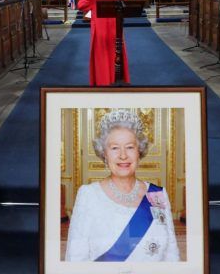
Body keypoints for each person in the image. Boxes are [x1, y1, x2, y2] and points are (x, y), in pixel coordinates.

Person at [66, 109, 179, 262]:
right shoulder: (88, 195)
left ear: (139, 152)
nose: (123, 155)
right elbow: (75, 259)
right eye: (114, 148)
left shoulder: (157, 195)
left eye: (130, 147)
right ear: (104, 154)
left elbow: (171, 255)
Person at [76, 0, 130, 86]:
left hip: (99, 31)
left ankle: (102, 81)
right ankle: (117, 80)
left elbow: (80, 5)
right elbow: (126, 5)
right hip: (116, 30)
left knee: (101, 57)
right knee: (116, 55)